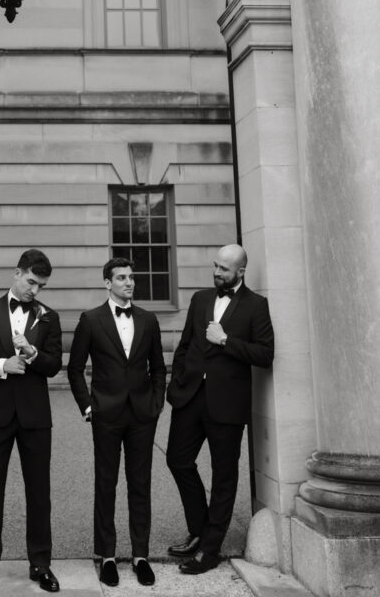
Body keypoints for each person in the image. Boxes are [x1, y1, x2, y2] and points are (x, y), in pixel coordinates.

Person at [166, 243, 274, 575]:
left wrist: (226, 340)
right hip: (191, 397)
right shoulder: (200, 299)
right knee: (177, 459)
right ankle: (200, 528)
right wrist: (178, 383)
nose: (216, 273)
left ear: (240, 271)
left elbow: (264, 354)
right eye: (215, 266)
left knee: (224, 476)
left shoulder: (257, 306)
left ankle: (209, 550)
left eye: (224, 269)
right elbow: (185, 344)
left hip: (227, 405)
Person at [0, 249, 62, 595]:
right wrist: (2, 366)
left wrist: (34, 355)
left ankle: (41, 563)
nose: (35, 290)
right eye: (32, 282)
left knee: (39, 493)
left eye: (41, 285)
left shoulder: (49, 318)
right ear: (17, 273)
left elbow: (53, 365)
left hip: (36, 416)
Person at [67, 257, 166, 588]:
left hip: (141, 415)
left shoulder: (148, 320)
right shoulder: (91, 320)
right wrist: (87, 407)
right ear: (107, 283)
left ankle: (140, 556)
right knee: (105, 484)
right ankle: (107, 556)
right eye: (121, 278)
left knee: (140, 485)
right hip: (105, 414)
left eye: (131, 277)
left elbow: (159, 368)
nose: (129, 282)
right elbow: (75, 368)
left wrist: (155, 404)